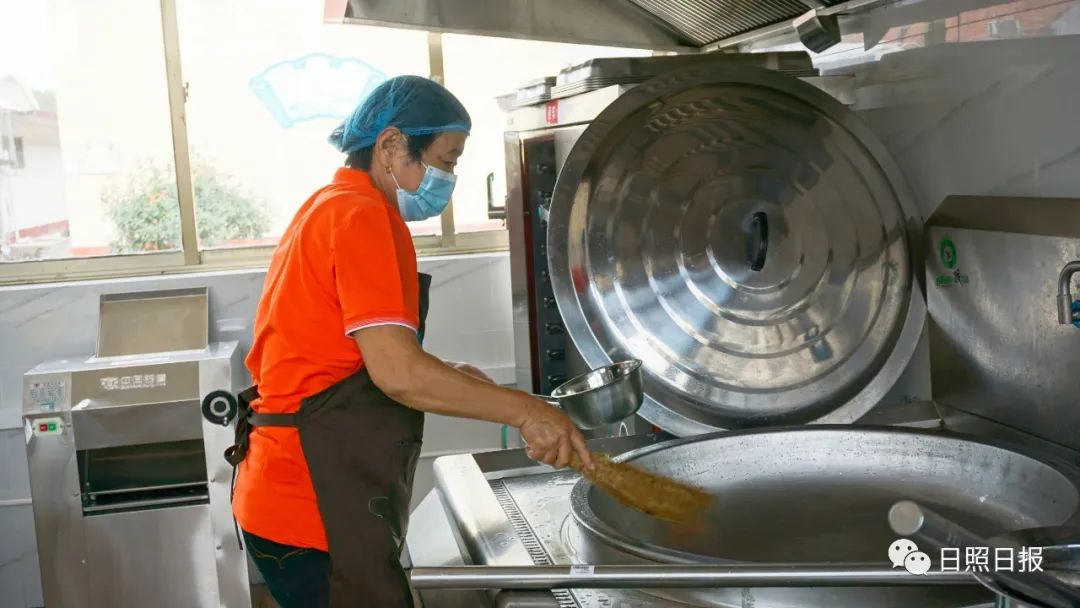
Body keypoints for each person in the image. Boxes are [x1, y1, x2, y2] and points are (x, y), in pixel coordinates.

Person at [227, 75, 595, 608]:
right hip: (310, 502)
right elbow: (397, 373)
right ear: (391, 146)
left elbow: (349, 354)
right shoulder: (361, 217)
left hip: (289, 492)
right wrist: (527, 412)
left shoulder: (332, 204)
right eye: (444, 161)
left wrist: (456, 378)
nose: (448, 178)